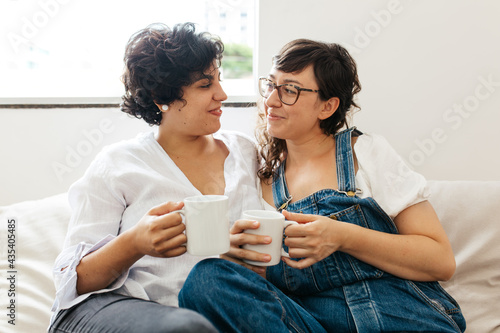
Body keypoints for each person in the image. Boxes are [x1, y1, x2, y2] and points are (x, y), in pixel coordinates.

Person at [178, 39, 466, 332]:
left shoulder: (364, 153)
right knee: (207, 278)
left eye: (290, 90)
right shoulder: (260, 178)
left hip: (400, 317)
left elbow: (440, 261)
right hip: (314, 324)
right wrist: (239, 257)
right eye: (271, 85)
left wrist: (342, 236)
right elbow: (268, 293)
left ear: (327, 107)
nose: (271, 101)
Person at [49, 22, 262, 333]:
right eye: (205, 85)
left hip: (222, 308)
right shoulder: (119, 164)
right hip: (125, 310)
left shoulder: (246, 152)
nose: (222, 94)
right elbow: (74, 281)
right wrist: (136, 242)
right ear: (161, 96)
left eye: (219, 80)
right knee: (185, 328)